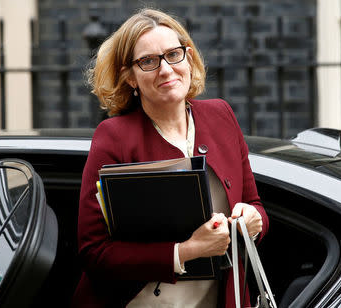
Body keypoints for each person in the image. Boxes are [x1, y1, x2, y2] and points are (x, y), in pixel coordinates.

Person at [72, 8, 269, 308]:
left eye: (173, 54)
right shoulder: (113, 138)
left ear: (188, 58)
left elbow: (255, 206)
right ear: (130, 77)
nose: (165, 69)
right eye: (148, 61)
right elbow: (94, 252)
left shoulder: (222, 117)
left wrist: (254, 221)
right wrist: (186, 251)